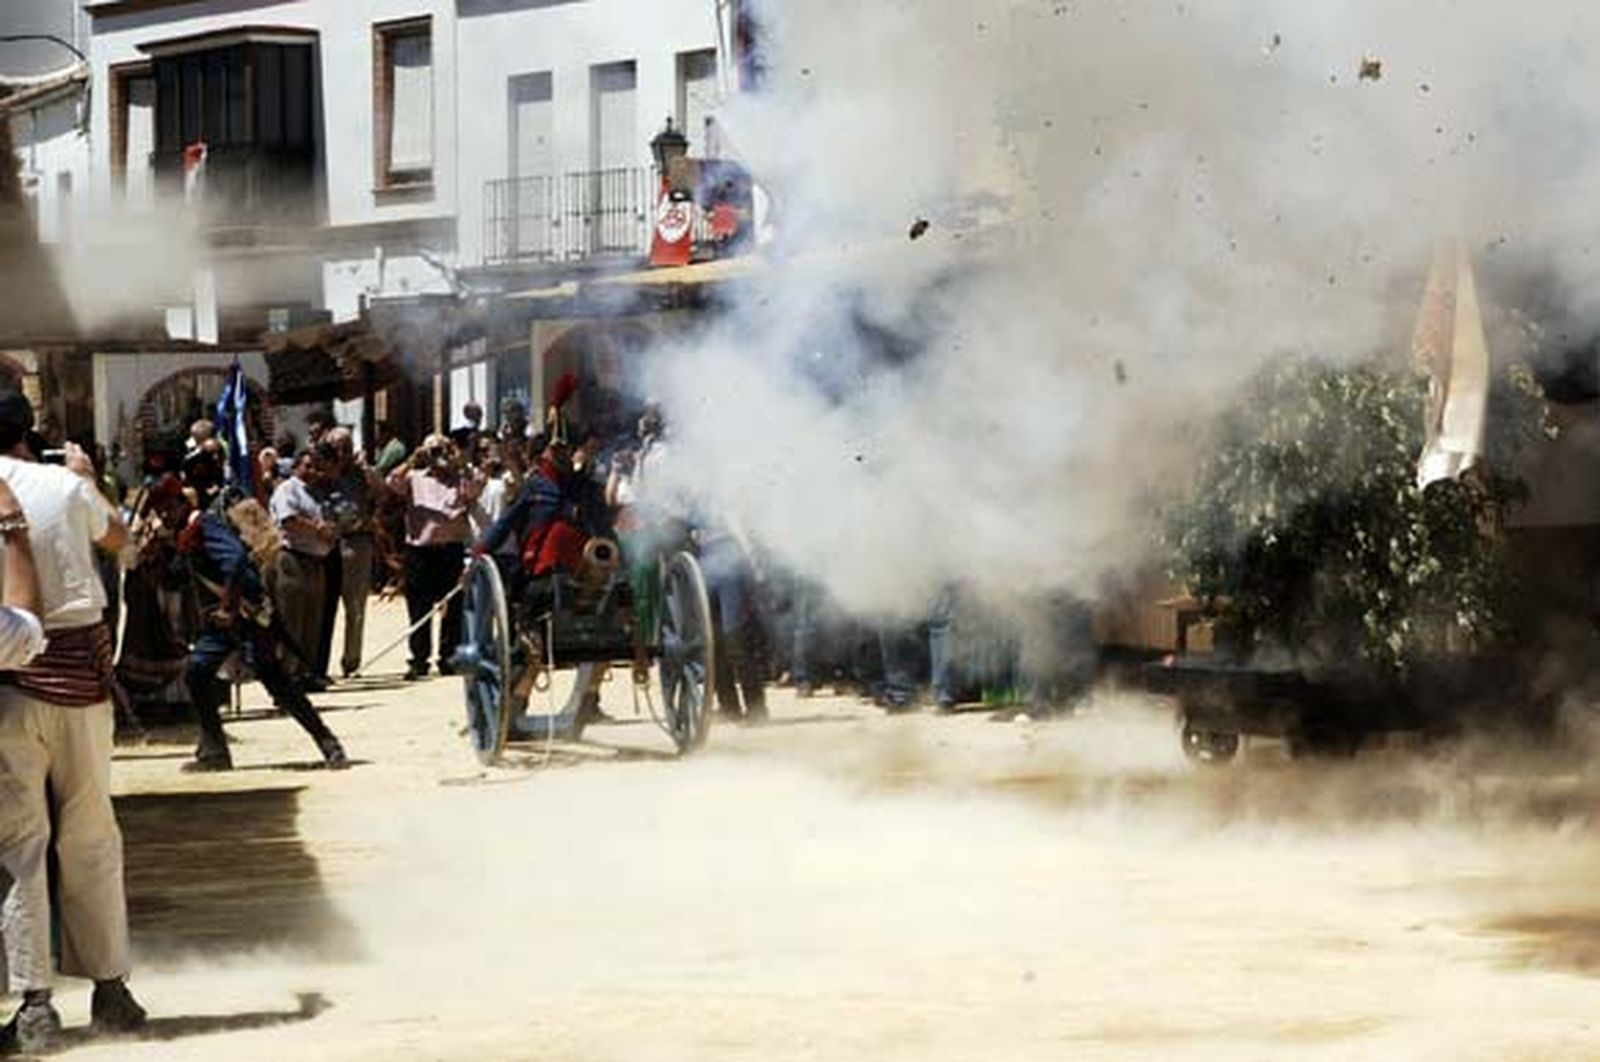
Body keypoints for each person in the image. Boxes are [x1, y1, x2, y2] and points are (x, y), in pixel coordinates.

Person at [0, 392, 146, 1051]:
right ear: (30, 432)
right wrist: (87, 481)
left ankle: (34, 1005)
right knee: (90, 832)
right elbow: (120, 539)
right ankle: (110, 986)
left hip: (9, 687)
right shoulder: (62, 483)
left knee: (19, 844)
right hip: (80, 683)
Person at [156, 480, 347, 772]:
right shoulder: (185, 536)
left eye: (169, 508)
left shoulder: (205, 526)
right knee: (196, 673)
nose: (165, 515)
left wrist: (228, 608)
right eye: (161, 510)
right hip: (224, 622)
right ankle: (214, 749)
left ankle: (328, 742)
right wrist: (153, 555)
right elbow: (175, 578)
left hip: (247, 613)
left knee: (274, 680)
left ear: (183, 505)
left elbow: (234, 561)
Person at [388, 435, 479, 680]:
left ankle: (448, 656)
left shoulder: (460, 479)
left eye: (444, 449)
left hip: (450, 550)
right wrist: (412, 460)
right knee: (419, 606)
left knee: (454, 606)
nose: (440, 454)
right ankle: (419, 659)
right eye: (435, 450)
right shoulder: (415, 478)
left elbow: (474, 491)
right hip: (420, 551)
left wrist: (461, 464)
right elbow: (392, 483)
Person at [270, 450, 334, 690]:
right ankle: (285, 678)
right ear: (296, 466)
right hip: (292, 559)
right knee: (291, 621)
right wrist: (318, 528)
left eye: (316, 466)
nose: (312, 471)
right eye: (307, 466)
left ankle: (304, 673)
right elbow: (288, 519)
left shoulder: (315, 492)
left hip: (316, 560)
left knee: (312, 621)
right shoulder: (288, 489)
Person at [322, 428, 381, 679]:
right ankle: (317, 664)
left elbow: (382, 492)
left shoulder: (361, 475)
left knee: (355, 606)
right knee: (323, 608)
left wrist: (369, 471)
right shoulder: (321, 474)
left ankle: (351, 660)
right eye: (338, 448)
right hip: (327, 545)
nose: (343, 453)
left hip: (357, 543)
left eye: (347, 447)